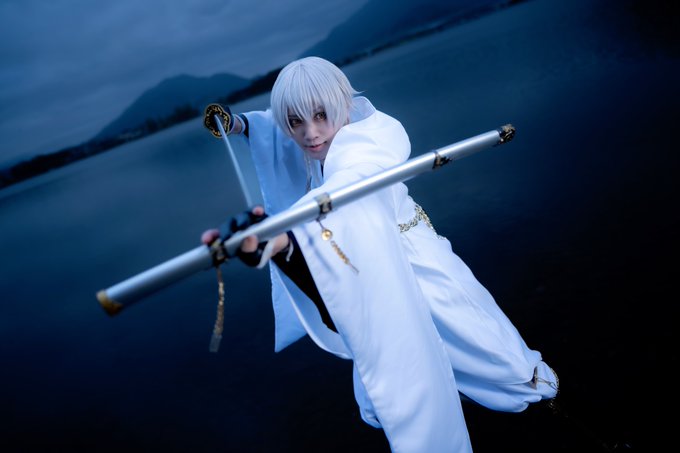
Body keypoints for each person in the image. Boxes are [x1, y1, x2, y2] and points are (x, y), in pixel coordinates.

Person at [202, 56, 558, 452]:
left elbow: (343, 192)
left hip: (421, 268)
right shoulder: (331, 128)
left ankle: (545, 407)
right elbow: (277, 126)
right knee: (403, 368)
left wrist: (283, 238)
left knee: (495, 360)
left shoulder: (366, 147)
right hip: (377, 262)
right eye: (295, 122)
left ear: (341, 103)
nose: (310, 134)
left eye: (320, 115)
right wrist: (240, 125)